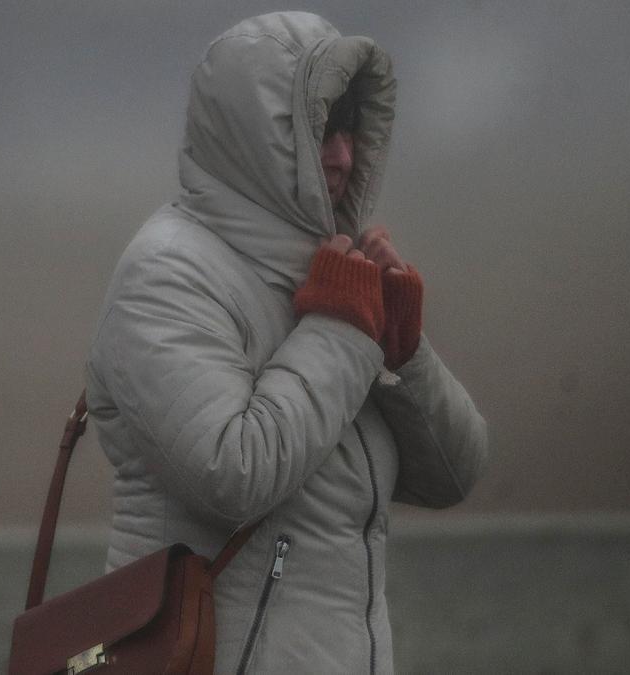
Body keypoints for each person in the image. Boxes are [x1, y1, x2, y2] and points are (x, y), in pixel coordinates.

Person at [84, 11, 488, 673]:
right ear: (256, 138)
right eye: (317, 131)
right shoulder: (166, 275)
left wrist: (403, 352)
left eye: (350, 129)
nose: (342, 156)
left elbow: (454, 473)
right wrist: (342, 330)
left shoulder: (328, 270)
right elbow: (232, 473)